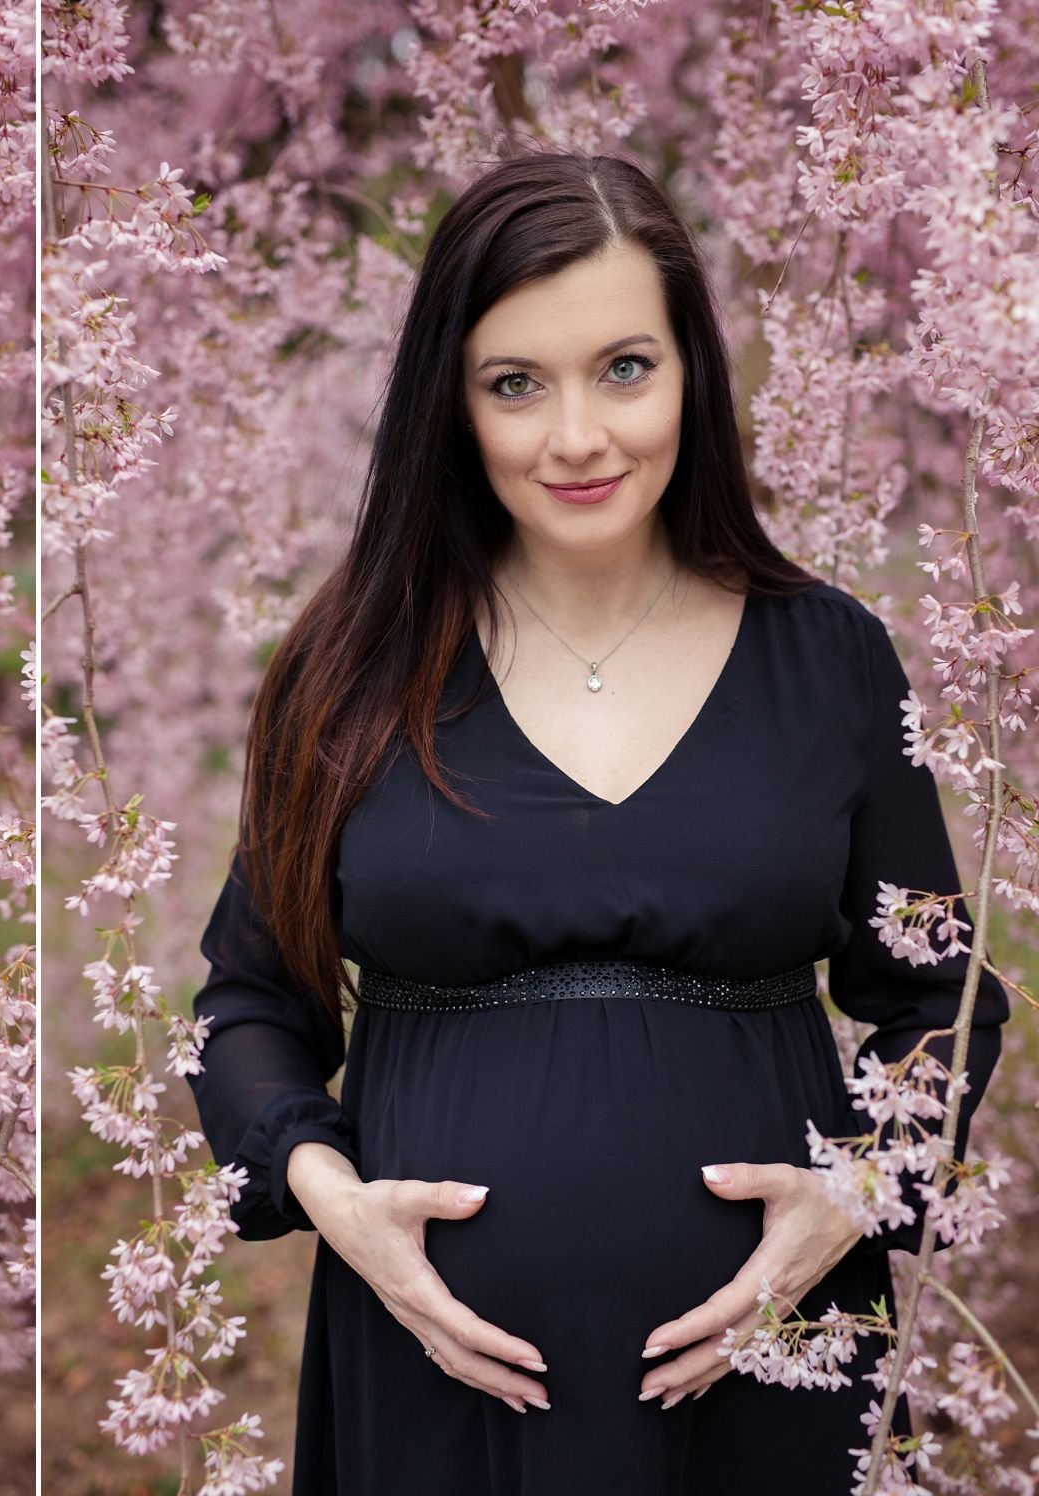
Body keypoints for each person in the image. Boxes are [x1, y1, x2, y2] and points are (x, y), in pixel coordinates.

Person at [186, 150, 1010, 1494]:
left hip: (771, 1375)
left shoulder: (830, 660)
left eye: (625, 368)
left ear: (693, 371)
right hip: (438, 1383)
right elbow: (247, 1004)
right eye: (517, 384)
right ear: (450, 408)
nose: (579, 436)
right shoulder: (351, 670)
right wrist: (336, 1204)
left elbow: (938, 996)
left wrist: (853, 1199)